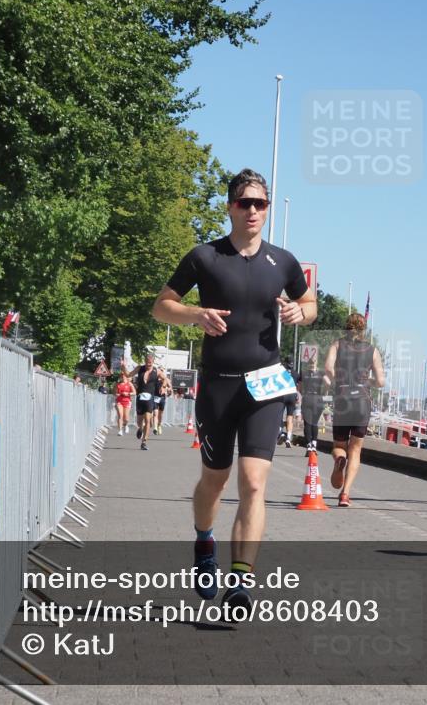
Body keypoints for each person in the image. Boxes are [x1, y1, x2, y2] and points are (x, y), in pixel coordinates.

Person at [152, 168, 317, 616]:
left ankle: (240, 582)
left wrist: (301, 314)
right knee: (215, 478)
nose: (252, 211)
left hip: (265, 383)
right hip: (219, 387)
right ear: (229, 206)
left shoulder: (282, 261)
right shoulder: (205, 257)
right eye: (244, 202)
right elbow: (160, 306)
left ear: (267, 210)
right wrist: (194, 314)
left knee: (254, 482)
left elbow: (309, 303)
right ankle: (204, 540)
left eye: (260, 204)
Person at [323, 313, 385, 507]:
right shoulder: (372, 350)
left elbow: (328, 368)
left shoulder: (337, 345)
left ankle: (339, 460)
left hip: (343, 399)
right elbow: (381, 382)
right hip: (362, 402)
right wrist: (369, 381)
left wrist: (336, 380)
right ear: (363, 329)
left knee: (339, 447)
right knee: (356, 450)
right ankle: (346, 494)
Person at [133, 353, 161, 450]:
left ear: (153, 362)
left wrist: (164, 386)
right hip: (140, 398)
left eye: (150, 363)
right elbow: (128, 374)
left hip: (150, 399)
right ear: (145, 361)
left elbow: (166, 379)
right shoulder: (139, 369)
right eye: (147, 362)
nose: (148, 364)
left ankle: (144, 442)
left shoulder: (156, 371)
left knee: (148, 420)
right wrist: (123, 366)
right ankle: (140, 429)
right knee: (139, 421)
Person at [300, 357, 324, 448]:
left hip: (307, 398)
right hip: (317, 399)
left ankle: (308, 444)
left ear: (308, 364)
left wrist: (303, 394)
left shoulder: (303, 373)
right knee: (314, 423)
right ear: (316, 363)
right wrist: (323, 392)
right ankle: (314, 443)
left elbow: (300, 387)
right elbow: (327, 383)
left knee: (307, 423)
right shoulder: (321, 373)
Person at [278, 360, 299, 448]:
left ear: (285, 363)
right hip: (292, 395)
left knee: (279, 415)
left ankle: (280, 433)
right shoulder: (296, 373)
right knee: (290, 417)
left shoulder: (281, 372)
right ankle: (288, 437)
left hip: (283, 394)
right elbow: (298, 386)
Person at [153, 368, 172, 434]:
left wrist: (169, 390)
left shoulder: (166, 380)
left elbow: (170, 389)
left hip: (162, 398)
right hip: (155, 397)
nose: (160, 372)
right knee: (155, 413)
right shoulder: (154, 379)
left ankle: (159, 425)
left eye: (162, 370)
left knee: (160, 414)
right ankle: (155, 427)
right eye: (159, 370)